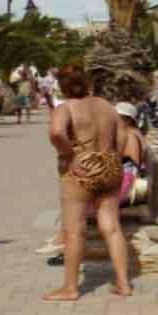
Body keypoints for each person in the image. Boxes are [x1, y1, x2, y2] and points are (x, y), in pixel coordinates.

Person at [43, 65, 133, 301]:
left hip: (80, 172)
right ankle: (123, 282)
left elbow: (55, 132)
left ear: (62, 87)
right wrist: (113, 157)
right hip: (110, 168)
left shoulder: (65, 108)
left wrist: (71, 156)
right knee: (112, 227)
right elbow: (123, 135)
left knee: (75, 230)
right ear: (87, 83)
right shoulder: (106, 106)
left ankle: (70, 288)